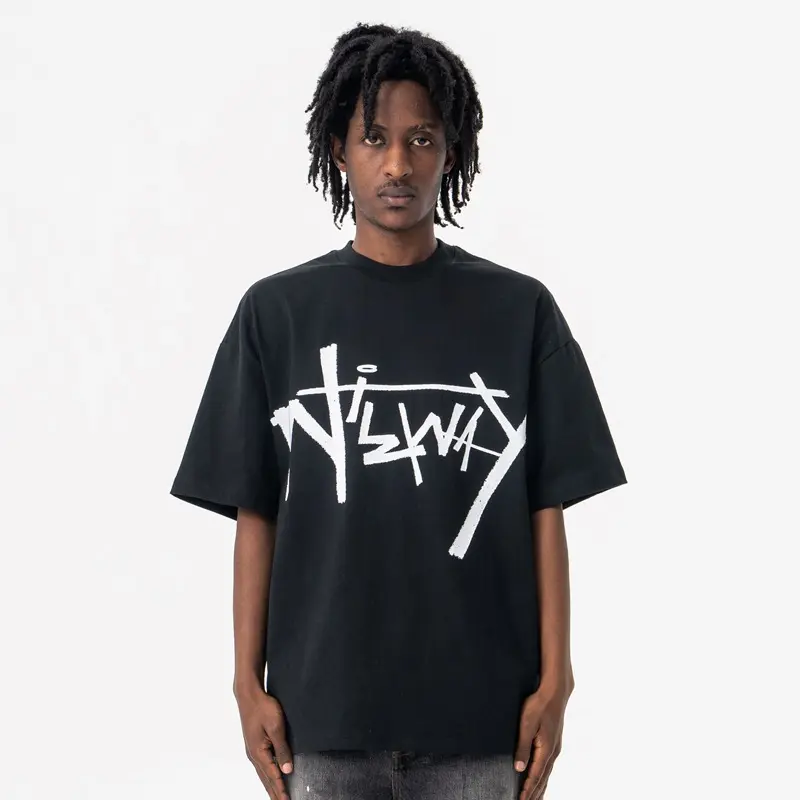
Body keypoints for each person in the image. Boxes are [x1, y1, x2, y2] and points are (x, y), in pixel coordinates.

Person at [170, 21, 627, 800]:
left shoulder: (519, 312)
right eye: (374, 138)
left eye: (421, 139)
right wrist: (247, 685)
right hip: (321, 721)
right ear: (338, 150)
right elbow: (256, 512)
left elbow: (544, 506)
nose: (396, 164)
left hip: (484, 719)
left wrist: (558, 681)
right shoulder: (277, 315)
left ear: (452, 150)